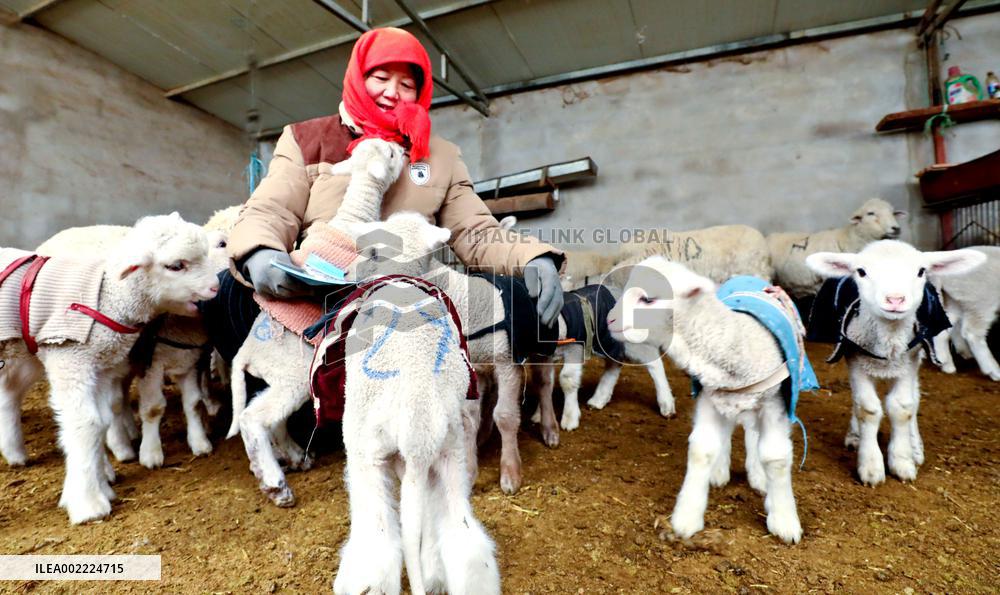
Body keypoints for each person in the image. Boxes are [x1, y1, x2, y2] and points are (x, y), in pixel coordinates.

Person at [206, 27, 564, 363]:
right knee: (225, 293)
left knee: (518, 301)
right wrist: (260, 251)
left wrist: (533, 257)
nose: (392, 92)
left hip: (405, 285)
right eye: (380, 78)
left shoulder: (441, 157)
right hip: (322, 284)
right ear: (358, 78)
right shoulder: (306, 138)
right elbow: (271, 209)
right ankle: (288, 394)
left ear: (421, 92)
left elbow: (476, 231)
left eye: (407, 84)